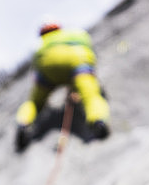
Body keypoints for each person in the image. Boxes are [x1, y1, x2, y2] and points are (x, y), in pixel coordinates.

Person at [15, 21, 111, 151]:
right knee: (91, 95)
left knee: (35, 102)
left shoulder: (41, 45)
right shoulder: (73, 34)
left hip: (47, 67)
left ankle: (23, 123)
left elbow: (36, 67)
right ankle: (98, 121)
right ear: (58, 29)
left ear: (42, 33)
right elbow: (88, 46)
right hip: (77, 60)